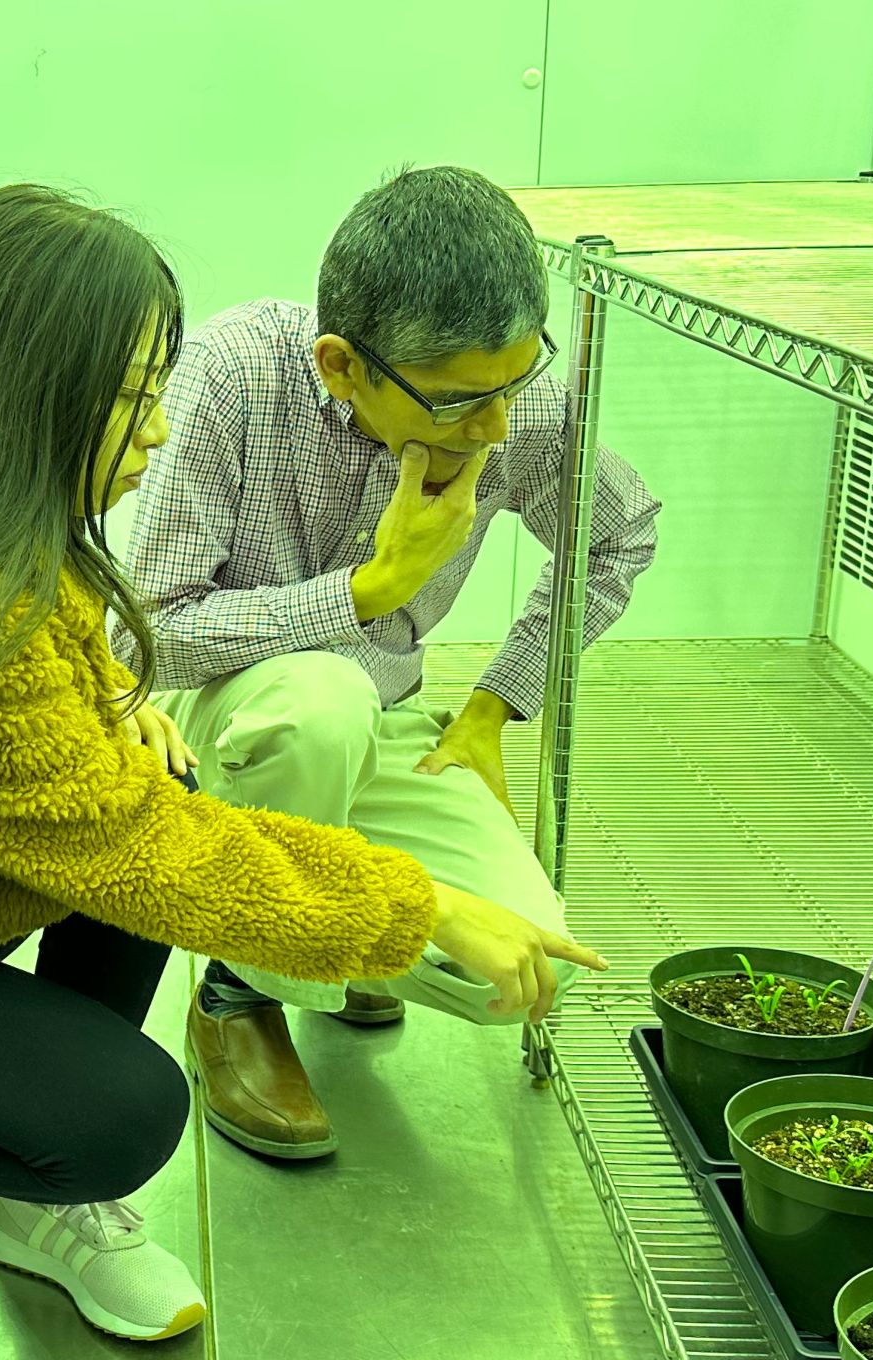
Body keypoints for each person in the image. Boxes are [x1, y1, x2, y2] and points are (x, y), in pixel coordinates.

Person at [0, 185, 606, 1344]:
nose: (163, 434)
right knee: (121, 1113)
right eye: (134, 404)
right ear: (21, 399)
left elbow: (102, 720)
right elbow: (151, 850)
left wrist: (116, 702)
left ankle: (27, 1212)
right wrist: (422, 901)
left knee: (160, 781)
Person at [124, 165, 662, 1164]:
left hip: (388, 723)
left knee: (528, 973)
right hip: (228, 732)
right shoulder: (237, 376)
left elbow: (617, 538)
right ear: (340, 365)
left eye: (517, 383)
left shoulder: (515, 406)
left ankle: (345, 932)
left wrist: (494, 706)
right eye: (462, 403)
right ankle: (237, 995)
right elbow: (145, 631)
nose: (496, 428)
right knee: (319, 701)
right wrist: (363, 594)